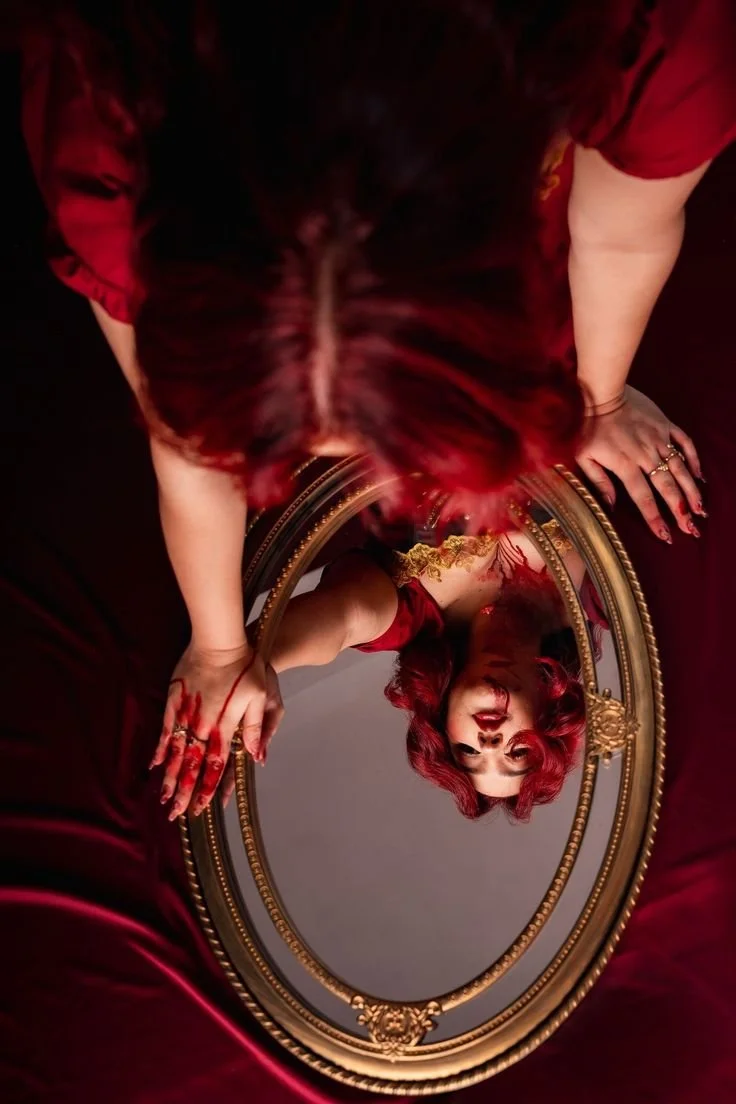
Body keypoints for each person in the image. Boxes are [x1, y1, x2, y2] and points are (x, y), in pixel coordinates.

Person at [15, 1, 735, 817]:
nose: (493, 732)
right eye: (512, 750)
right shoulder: (646, 45)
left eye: (471, 749)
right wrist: (591, 400)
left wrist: (231, 651)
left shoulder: (108, 163)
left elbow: (205, 468)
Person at [257, 518, 597, 820]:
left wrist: (254, 661)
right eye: (518, 751)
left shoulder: (406, 617)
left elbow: (345, 620)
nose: (490, 745)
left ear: (443, 721)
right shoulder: (600, 598)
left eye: (468, 751)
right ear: (548, 715)